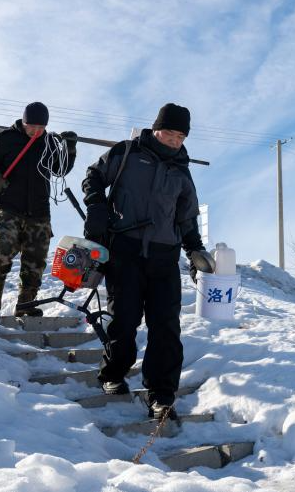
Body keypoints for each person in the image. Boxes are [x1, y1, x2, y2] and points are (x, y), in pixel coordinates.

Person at [82, 102, 211, 421]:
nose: (175, 141)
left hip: (164, 255)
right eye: (170, 133)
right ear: (156, 129)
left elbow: (186, 217)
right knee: (124, 319)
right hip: (124, 249)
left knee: (166, 326)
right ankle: (113, 374)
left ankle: (162, 395)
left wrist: (194, 250)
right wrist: (96, 206)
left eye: (181, 136)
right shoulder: (127, 152)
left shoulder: (181, 171)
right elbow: (94, 176)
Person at [0, 101, 77, 315]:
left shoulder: (49, 143)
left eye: (41, 128)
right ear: (23, 122)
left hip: (39, 211)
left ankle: (25, 304)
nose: (36, 131)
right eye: (32, 126)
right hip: (9, 207)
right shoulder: (5, 139)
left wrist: (69, 149)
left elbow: (59, 169)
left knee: (35, 260)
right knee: (2, 252)